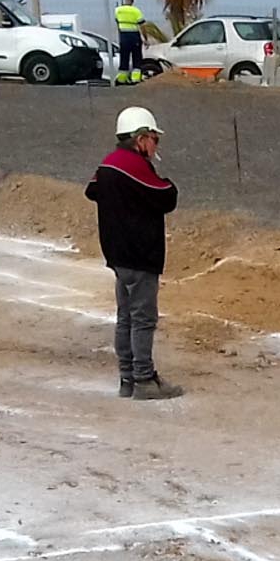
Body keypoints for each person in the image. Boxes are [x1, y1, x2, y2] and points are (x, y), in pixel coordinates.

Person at [85, 107, 183, 400]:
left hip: (117, 254)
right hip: (140, 255)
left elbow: (92, 191)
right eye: (154, 139)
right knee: (143, 318)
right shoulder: (133, 166)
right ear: (140, 138)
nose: (156, 146)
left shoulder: (108, 164)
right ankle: (143, 378)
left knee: (125, 317)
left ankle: (127, 378)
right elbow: (166, 195)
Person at [114, 0, 146, 86]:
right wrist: (145, 38)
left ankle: (121, 79)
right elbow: (142, 26)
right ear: (133, 0)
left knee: (124, 59)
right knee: (137, 59)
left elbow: (117, 22)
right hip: (134, 37)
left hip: (123, 38)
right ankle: (135, 79)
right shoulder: (136, 11)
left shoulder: (118, 10)